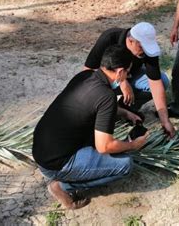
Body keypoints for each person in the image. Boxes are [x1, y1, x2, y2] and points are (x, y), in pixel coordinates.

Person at [32, 45, 148, 209]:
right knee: (125, 165)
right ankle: (62, 187)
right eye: (127, 72)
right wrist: (133, 145)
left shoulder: (85, 75)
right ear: (120, 72)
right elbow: (104, 146)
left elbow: (91, 105)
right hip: (56, 164)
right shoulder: (107, 97)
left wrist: (124, 113)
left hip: (41, 149)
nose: (128, 76)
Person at [84, 22, 175, 137]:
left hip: (131, 76)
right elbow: (87, 71)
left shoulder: (147, 50)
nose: (145, 52)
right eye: (141, 47)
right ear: (131, 40)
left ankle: (126, 109)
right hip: (108, 80)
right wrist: (122, 81)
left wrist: (165, 121)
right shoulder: (110, 38)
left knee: (163, 81)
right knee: (104, 97)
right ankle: (106, 111)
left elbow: (156, 83)